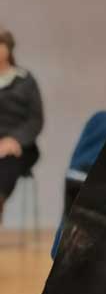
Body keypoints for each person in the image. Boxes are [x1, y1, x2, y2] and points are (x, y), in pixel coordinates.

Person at [0, 28, 43, 223]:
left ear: (9, 49)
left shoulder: (25, 80)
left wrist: (14, 140)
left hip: (20, 147)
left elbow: (36, 119)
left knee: (8, 160)